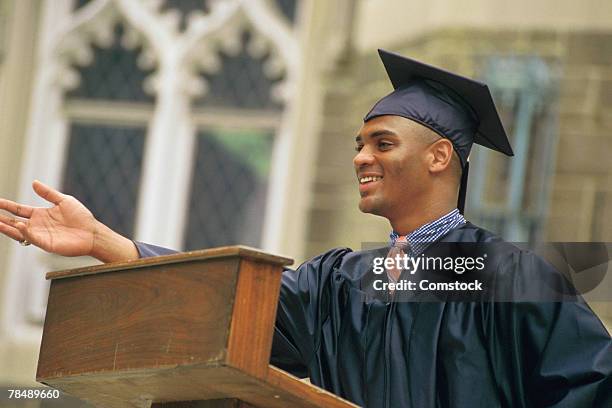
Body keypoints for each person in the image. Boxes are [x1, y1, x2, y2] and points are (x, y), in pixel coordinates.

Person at [1, 50, 610, 407]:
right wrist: (108, 244)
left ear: (439, 157)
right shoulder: (338, 281)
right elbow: (231, 303)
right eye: (358, 145)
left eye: (382, 143)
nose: (360, 158)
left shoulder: (512, 276)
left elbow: (591, 387)